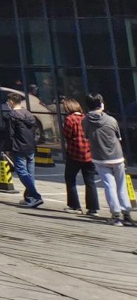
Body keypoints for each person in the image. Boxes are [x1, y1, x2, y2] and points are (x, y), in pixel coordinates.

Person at [83, 93, 135, 226]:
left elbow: (87, 137)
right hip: (117, 156)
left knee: (109, 185)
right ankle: (126, 214)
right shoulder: (111, 120)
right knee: (121, 185)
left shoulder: (86, 121)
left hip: (99, 157)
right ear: (101, 104)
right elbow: (119, 138)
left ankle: (116, 215)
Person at [2, 91, 43, 209]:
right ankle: (29, 198)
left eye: (8, 101)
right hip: (30, 146)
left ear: (11, 102)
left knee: (22, 172)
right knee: (30, 173)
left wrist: (7, 149)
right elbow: (35, 132)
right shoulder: (29, 114)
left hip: (18, 146)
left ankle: (35, 196)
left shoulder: (12, 116)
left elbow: (10, 134)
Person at [59, 96, 98, 216]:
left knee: (70, 178)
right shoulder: (86, 117)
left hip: (75, 153)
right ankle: (93, 209)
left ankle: (75, 206)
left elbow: (67, 134)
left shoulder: (70, 119)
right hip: (89, 153)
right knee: (90, 181)